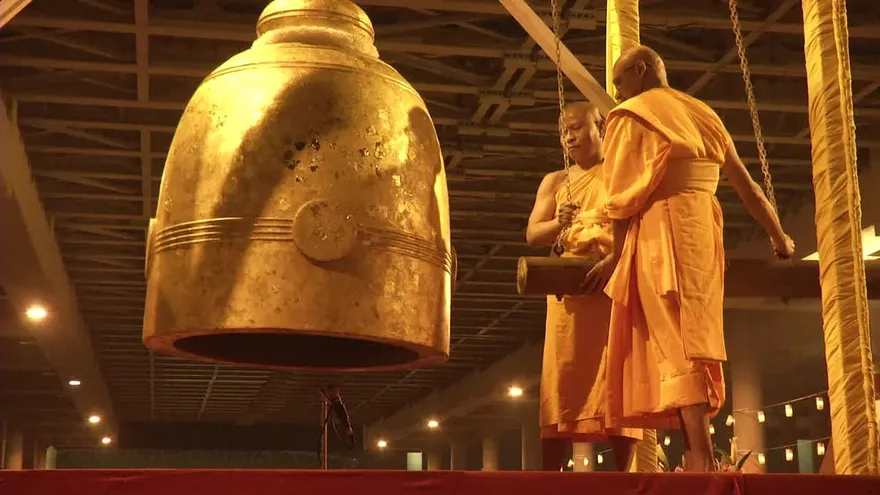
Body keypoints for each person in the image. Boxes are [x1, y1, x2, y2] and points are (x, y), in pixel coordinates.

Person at [576, 45, 795, 472]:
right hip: (705, 234)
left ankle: (703, 456)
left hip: (661, 232)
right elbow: (747, 186)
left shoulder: (631, 116)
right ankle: (698, 452)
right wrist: (779, 237)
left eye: (619, 82)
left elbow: (620, 198)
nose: (616, 93)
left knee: (678, 346)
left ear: (640, 71)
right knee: (697, 339)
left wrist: (617, 255)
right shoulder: (704, 113)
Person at [526, 101, 641, 472]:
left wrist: (614, 253)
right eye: (563, 132)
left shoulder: (622, 172)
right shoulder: (556, 181)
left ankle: (624, 478)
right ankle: (550, 480)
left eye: (576, 128)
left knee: (617, 375)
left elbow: (637, 222)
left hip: (612, 284)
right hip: (570, 294)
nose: (569, 137)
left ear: (601, 127)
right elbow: (534, 235)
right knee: (562, 376)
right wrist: (559, 222)